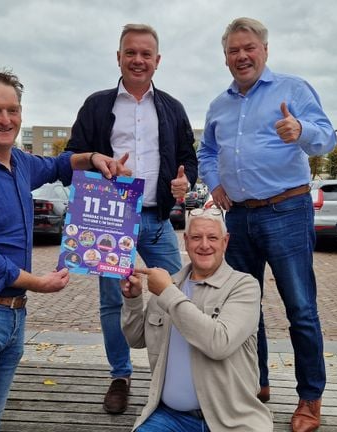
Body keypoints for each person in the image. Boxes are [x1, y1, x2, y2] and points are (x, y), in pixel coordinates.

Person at [0, 69, 129, 432]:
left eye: (13, 110)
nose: (5, 120)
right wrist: (39, 283)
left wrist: (95, 157)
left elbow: (57, 165)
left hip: (10, 316)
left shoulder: (18, 163)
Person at [197, 17, 336, 432]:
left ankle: (310, 398)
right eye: (233, 51)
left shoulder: (292, 90)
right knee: (243, 307)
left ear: (264, 50)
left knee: (301, 309)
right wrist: (216, 183)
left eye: (248, 48)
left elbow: (326, 137)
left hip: (287, 211)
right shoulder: (218, 105)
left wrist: (301, 129)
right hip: (238, 215)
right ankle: (254, 384)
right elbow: (206, 152)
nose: (241, 56)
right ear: (225, 58)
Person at [65, 23, 198, 414]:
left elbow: (188, 160)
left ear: (157, 61)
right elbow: (72, 156)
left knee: (178, 293)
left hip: (157, 218)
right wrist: (97, 163)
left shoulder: (172, 108)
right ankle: (120, 376)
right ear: (119, 57)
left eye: (146, 54)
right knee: (112, 301)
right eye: (130, 53)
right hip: (110, 216)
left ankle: (175, 376)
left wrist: (185, 180)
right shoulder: (96, 105)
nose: (138, 60)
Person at [121, 208, 273, 431]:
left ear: (225, 241)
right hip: (170, 418)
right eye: (196, 237)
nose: (204, 245)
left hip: (232, 420)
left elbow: (219, 344)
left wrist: (167, 293)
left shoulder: (244, 286)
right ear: (186, 241)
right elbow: (135, 340)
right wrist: (132, 299)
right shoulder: (170, 284)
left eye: (212, 237)